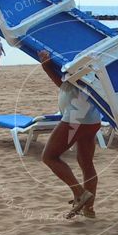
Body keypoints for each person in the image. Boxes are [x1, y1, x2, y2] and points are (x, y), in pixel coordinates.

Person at [38, 50, 102, 219]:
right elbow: (68, 85)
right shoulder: (94, 62)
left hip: (75, 117)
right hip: (92, 117)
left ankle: (80, 193)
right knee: (86, 162)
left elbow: (64, 83)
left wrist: (47, 67)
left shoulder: (76, 60)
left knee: (49, 157)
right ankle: (88, 209)